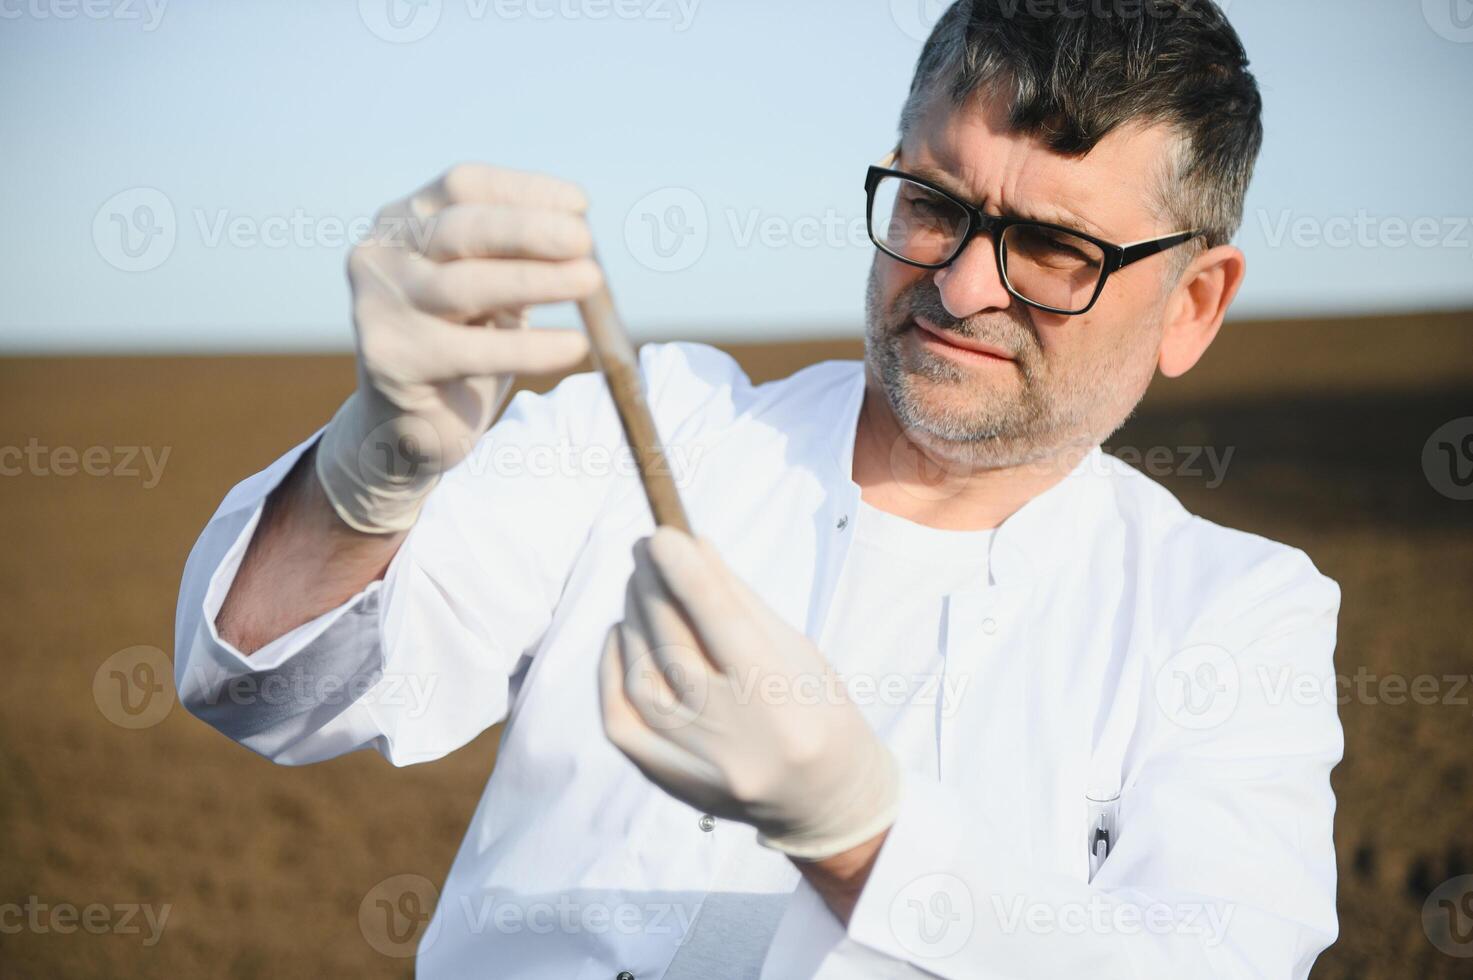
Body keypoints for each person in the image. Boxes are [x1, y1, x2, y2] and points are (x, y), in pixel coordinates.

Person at [174, 1, 1343, 976]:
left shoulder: (1231, 612)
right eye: (935, 203)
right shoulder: (662, 428)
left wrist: (861, 830)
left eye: (1053, 248)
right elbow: (264, 689)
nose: (965, 285)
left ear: (1194, 302)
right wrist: (367, 473)